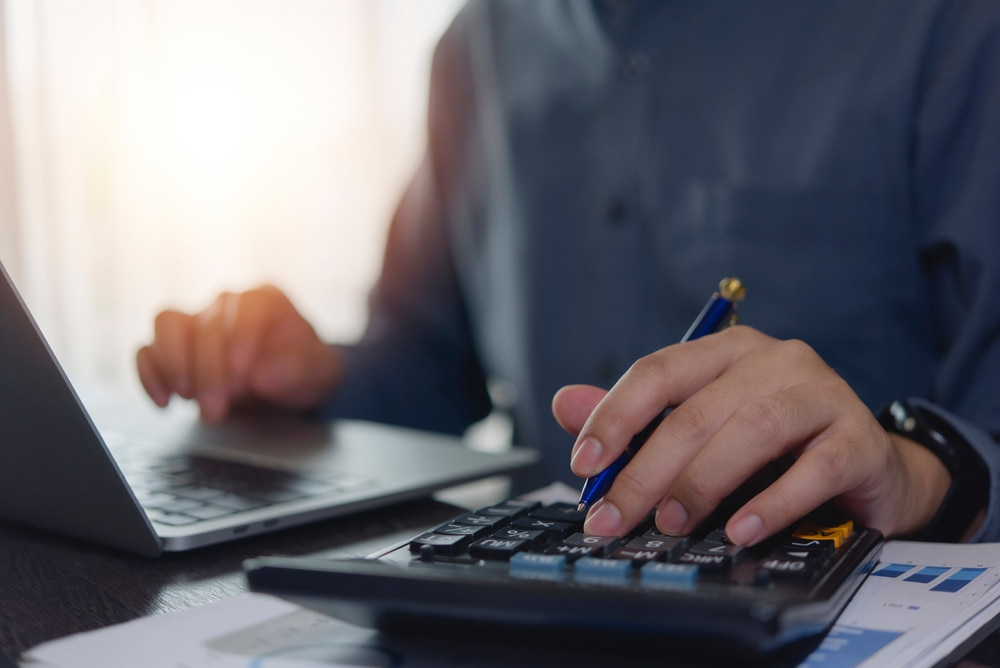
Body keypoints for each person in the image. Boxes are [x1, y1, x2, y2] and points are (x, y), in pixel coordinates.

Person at [136, 0, 1000, 546]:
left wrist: (913, 472)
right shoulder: (475, 44)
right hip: (518, 610)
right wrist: (312, 376)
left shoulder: (949, 26)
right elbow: (430, 364)